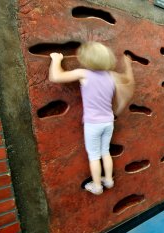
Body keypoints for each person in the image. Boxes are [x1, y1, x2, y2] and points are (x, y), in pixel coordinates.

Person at [49, 42, 135, 195]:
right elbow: (128, 80)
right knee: (105, 151)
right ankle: (108, 180)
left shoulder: (84, 74)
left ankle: (97, 186)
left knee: (94, 156)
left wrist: (56, 60)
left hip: (93, 124)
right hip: (108, 122)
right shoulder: (112, 76)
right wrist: (128, 65)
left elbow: (56, 77)